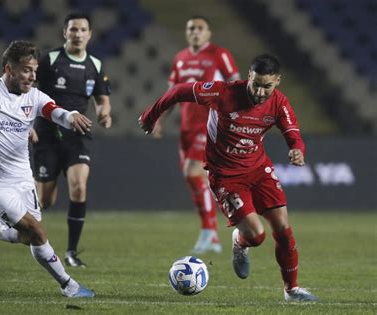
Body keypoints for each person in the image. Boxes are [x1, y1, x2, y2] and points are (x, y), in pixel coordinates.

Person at [139, 54, 318, 302]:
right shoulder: (223, 93)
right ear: (249, 76)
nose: (260, 91)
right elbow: (181, 90)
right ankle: (240, 242)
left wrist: (297, 150)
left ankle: (291, 290)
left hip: (259, 170)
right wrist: (152, 114)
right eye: (256, 83)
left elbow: (293, 133)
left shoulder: (278, 103)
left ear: (277, 81)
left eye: (267, 85)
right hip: (226, 176)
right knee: (257, 236)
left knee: (284, 231)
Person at [0, 32, 95, 298]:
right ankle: (69, 286)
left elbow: (55, 111)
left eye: (34, 71)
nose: (32, 76)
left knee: (26, 236)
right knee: (37, 233)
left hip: (22, 179)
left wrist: (71, 115)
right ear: (9, 69)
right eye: (26, 70)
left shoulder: (34, 97)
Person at [152, 16, 240, 254]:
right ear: (186, 32)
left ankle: (210, 231)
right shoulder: (180, 59)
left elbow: (236, 86)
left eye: (200, 28)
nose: (195, 32)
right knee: (194, 179)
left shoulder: (219, 54)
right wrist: (160, 117)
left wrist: (236, 117)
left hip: (211, 123)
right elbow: (173, 93)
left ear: (209, 33)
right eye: (191, 28)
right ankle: (209, 233)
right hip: (187, 126)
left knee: (193, 172)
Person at [31, 13, 112, 268]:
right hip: (46, 134)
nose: (78, 34)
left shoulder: (95, 65)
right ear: (65, 33)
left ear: (90, 34)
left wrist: (103, 113)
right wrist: (26, 123)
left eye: (83, 30)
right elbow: (29, 90)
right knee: (45, 201)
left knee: (79, 186)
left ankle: (71, 252)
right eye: (73, 30)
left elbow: (101, 97)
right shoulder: (51, 60)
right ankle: (16, 231)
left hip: (77, 136)